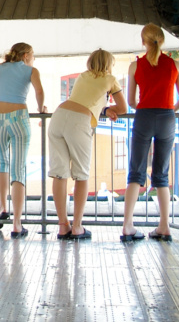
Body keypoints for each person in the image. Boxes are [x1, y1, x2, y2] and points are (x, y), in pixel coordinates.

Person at [48, 49, 127, 239]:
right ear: (109, 64)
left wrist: (103, 109)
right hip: (79, 122)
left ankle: (62, 225)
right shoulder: (111, 79)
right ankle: (77, 226)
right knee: (81, 175)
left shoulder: (83, 76)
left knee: (60, 174)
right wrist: (108, 109)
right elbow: (123, 108)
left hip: (59, 115)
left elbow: (87, 99)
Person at [121, 24, 179, 242]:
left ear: (143, 42)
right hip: (167, 118)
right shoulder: (174, 64)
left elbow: (131, 101)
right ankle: (164, 226)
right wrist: (169, 110)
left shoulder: (135, 66)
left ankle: (128, 226)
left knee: (136, 171)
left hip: (144, 117)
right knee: (161, 174)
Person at [0, 42, 46, 238]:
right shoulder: (31, 70)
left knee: (2, 163)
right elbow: (39, 92)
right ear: (26, 56)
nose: (33, 59)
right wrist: (41, 109)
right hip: (18, 117)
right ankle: (17, 223)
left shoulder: (0, 67)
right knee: (19, 168)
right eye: (33, 55)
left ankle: (2, 208)